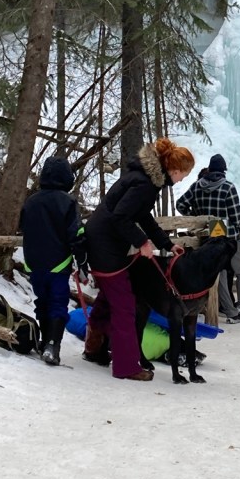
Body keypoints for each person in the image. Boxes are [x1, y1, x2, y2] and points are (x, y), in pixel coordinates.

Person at [84, 138, 193, 381]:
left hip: (105, 243)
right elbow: (120, 217)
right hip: (105, 246)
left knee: (107, 297)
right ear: (174, 170)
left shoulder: (146, 181)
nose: (182, 180)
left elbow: (143, 217)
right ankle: (126, 367)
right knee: (125, 306)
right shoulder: (144, 184)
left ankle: (93, 347)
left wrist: (166, 244)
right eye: (183, 175)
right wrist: (142, 243)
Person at [20, 155, 89, 367]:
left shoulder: (31, 201)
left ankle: (44, 341)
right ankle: (52, 344)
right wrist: (82, 262)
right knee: (58, 301)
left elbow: (23, 226)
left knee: (42, 300)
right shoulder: (67, 202)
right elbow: (76, 233)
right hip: (58, 262)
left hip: (33, 262)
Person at [175, 153, 240, 322]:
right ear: (223, 170)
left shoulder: (197, 187)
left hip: (207, 236)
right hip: (228, 235)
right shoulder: (228, 187)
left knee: (220, 273)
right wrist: (237, 230)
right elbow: (236, 215)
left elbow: (180, 204)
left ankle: (230, 311)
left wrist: (196, 218)